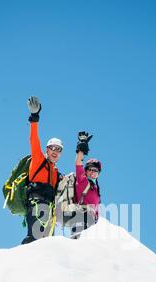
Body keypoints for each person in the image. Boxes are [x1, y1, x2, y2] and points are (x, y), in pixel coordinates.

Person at [22, 96, 63, 244]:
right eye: (52, 148)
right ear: (47, 149)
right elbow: (34, 139)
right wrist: (34, 117)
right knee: (35, 237)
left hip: (49, 208)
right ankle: (20, 260)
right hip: (36, 203)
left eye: (59, 150)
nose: (55, 151)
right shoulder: (39, 158)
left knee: (46, 242)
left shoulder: (57, 173)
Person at [69, 131, 102, 239]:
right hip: (80, 217)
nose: (93, 172)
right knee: (77, 245)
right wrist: (82, 146)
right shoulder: (82, 180)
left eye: (96, 171)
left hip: (91, 223)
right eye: (90, 169)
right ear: (86, 171)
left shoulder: (96, 189)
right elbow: (78, 162)